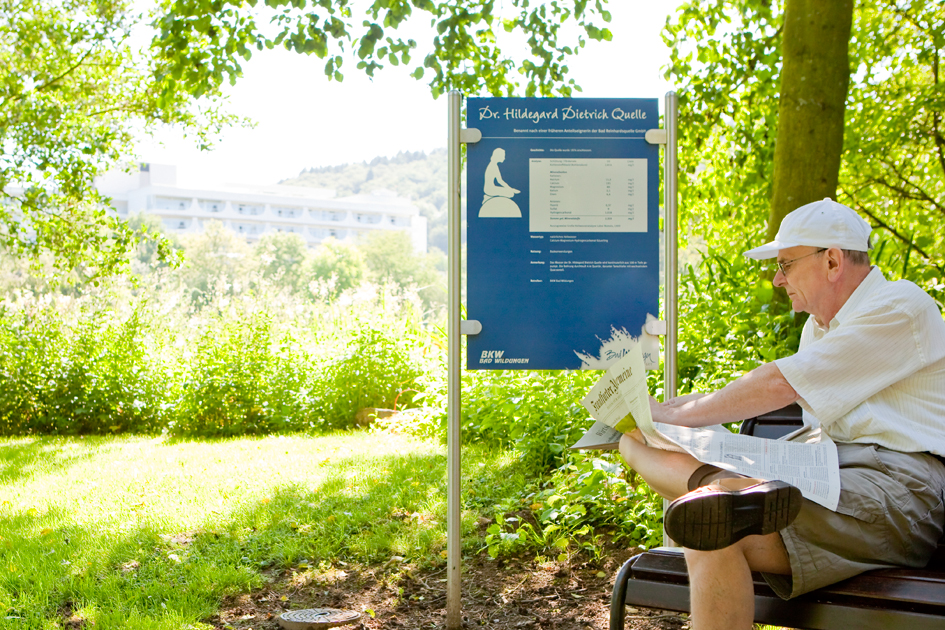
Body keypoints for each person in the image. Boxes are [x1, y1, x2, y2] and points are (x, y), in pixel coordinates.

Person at [619, 197, 945, 630]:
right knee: (690, 508)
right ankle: (727, 497)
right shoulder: (818, 329)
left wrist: (679, 414)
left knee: (709, 514)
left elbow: (780, 383)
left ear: (831, 260)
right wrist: (657, 421)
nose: (777, 279)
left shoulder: (900, 304)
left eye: (787, 264)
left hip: (895, 486)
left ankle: (728, 494)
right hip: (828, 474)